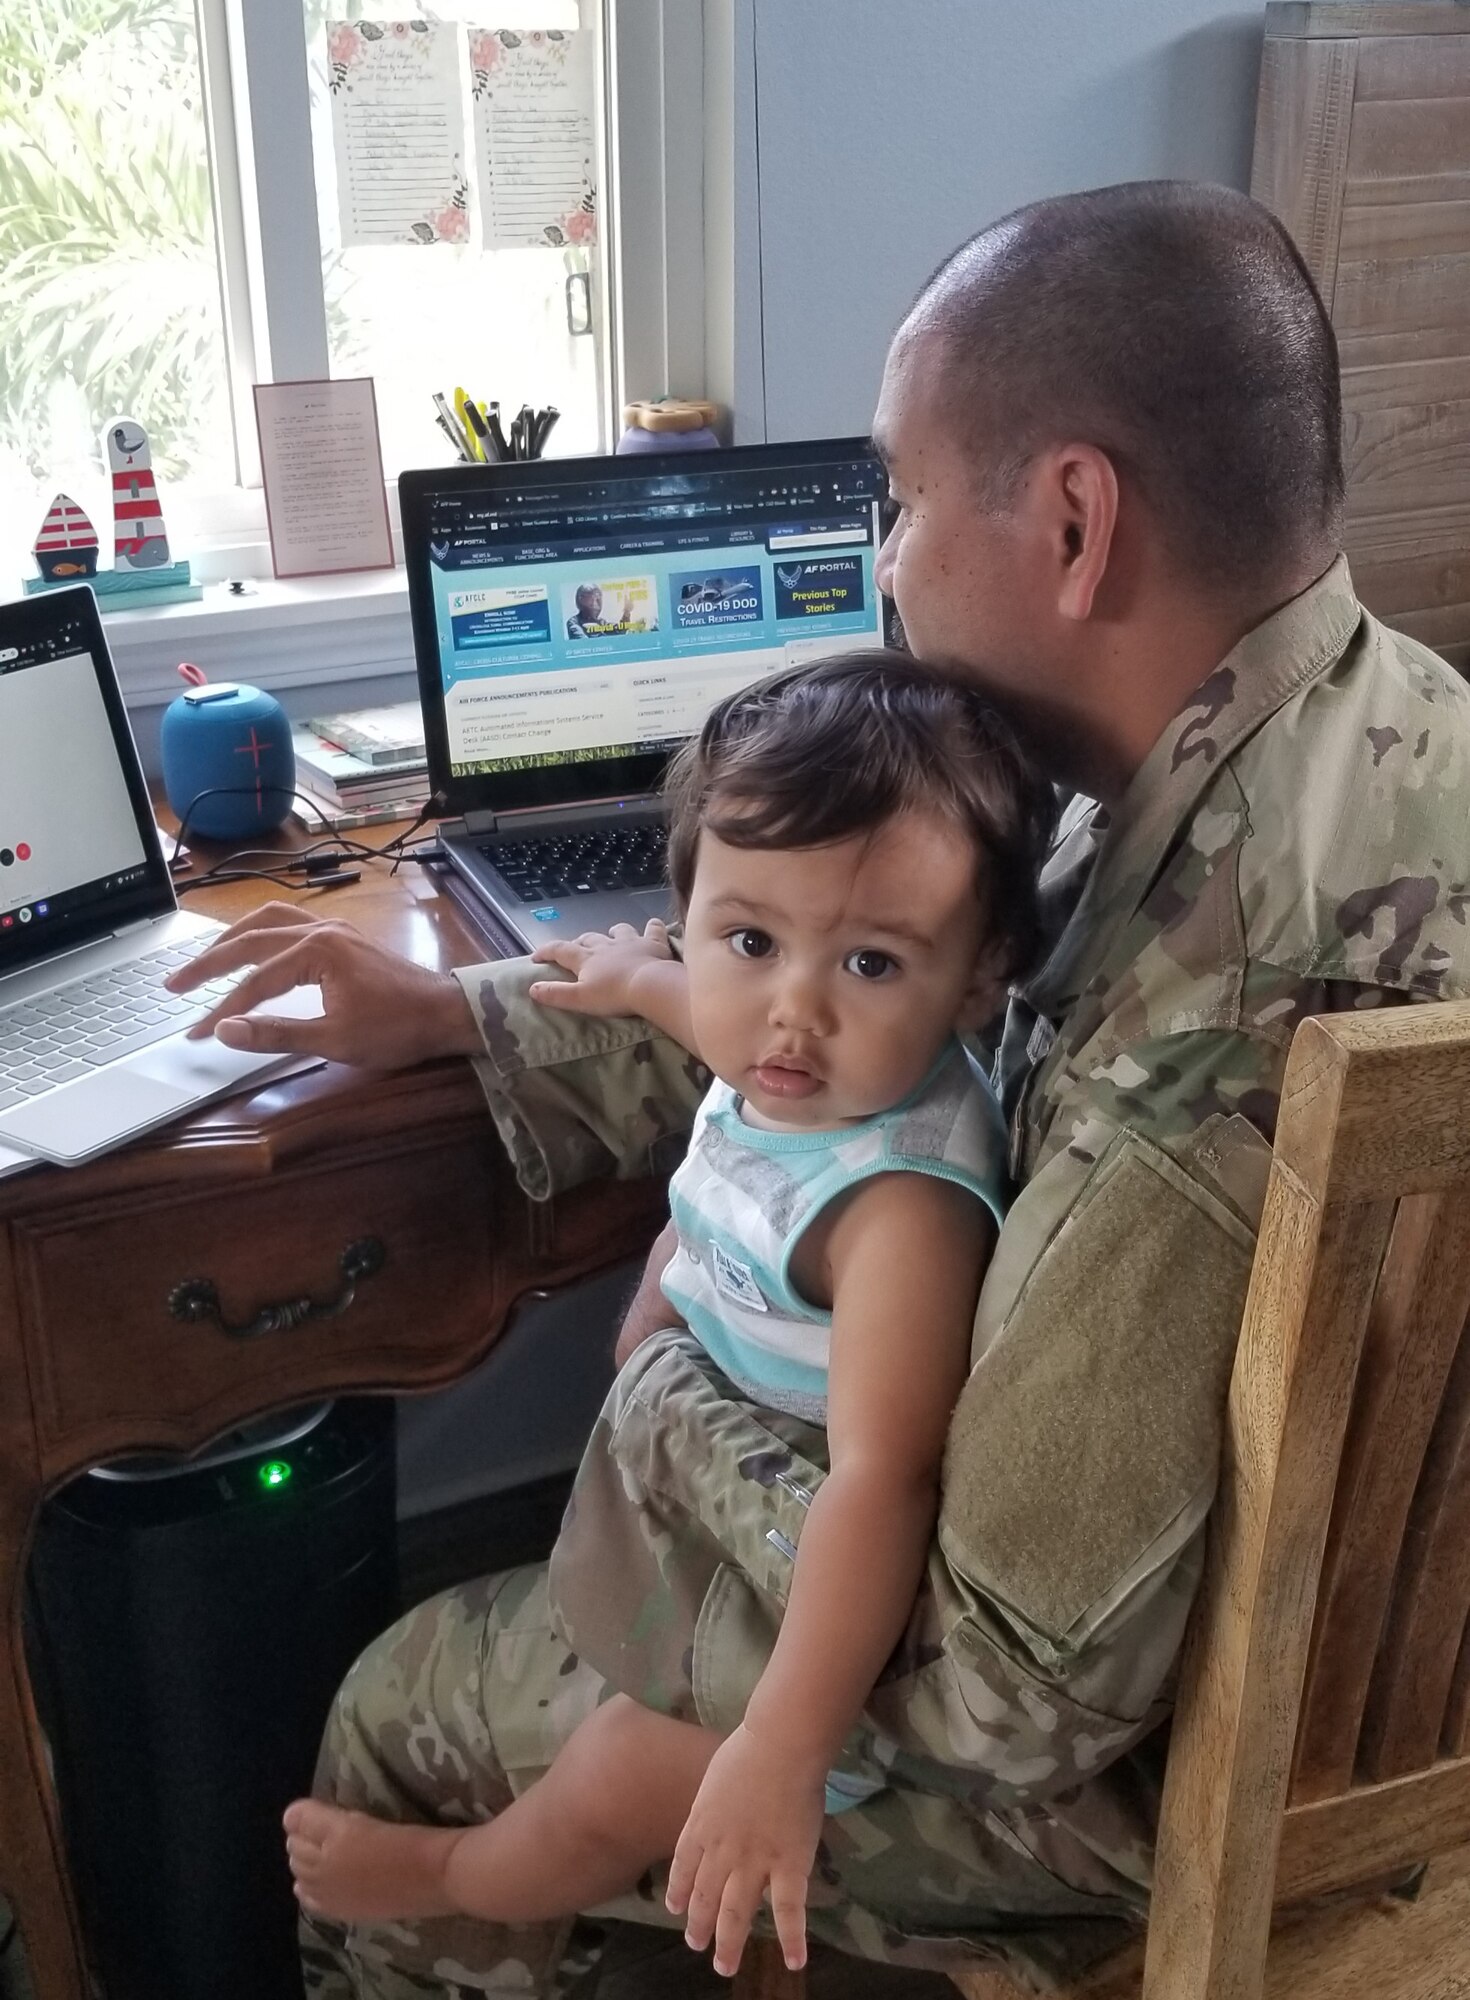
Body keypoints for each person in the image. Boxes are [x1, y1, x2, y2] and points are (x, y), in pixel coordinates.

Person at [166, 181, 1470, 1995]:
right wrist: (468, 1019)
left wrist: (668, 1402)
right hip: (1390, 1650)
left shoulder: (1212, 1017)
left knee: (404, 1707)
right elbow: (867, 1027)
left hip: (1145, 1785)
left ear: (1074, 523)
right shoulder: (1351, 727)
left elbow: (1018, 1693)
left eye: (903, 499)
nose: (886, 559)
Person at [280, 654, 1054, 1976]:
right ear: (691, 912)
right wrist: (624, 974)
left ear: (977, 982)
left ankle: (461, 1874)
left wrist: (782, 1743)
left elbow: (881, 1480)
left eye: (870, 960)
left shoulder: (894, 1214)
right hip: (693, 1498)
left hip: (800, 1608)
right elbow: (708, 1012)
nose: (790, 1012)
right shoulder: (789, 1048)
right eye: (748, 938)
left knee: (610, 1778)